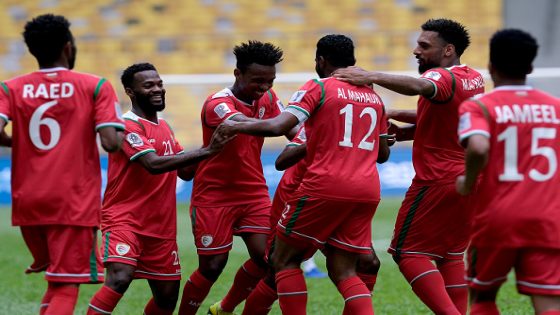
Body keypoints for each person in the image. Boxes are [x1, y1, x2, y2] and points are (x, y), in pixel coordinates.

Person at [222, 34, 390, 315]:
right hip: (367, 189)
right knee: (346, 270)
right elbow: (382, 154)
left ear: (320, 61)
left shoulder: (319, 87)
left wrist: (237, 124)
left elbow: (279, 127)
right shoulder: (374, 97)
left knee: (283, 260)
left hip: (325, 185)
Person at [334, 18, 484, 315]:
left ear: (448, 50)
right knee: (451, 256)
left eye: (425, 46)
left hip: (437, 181)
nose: (416, 51)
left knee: (408, 254)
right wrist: (405, 127)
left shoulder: (443, 78)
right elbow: (452, 119)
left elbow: (419, 86)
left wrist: (370, 76)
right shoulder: (473, 78)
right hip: (469, 179)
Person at [0, 14, 124, 315]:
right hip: (72, 200)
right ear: (68, 47)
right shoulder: (95, 86)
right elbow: (111, 142)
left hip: (27, 200)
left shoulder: (10, 88)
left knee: (57, 279)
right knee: (68, 284)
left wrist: (20, 144)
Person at [86, 63, 232, 314]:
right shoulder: (127, 125)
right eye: (149, 85)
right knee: (120, 278)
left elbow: (185, 173)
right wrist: (208, 150)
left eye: (159, 84)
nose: (158, 89)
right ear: (130, 92)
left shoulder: (164, 127)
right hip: (124, 220)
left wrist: (215, 145)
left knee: (167, 298)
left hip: (161, 228)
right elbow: (152, 164)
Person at [457, 29, 560, 315]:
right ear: (530, 66)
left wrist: (466, 181)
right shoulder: (556, 108)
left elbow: (477, 147)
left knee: (483, 295)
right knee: (549, 301)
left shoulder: (479, 106)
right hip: (548, 219)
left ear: (490, 67)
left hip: (498, 219)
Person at [178, 40, 286, 315]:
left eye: (270, 81)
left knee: (268, 259)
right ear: (238, 74)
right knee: (212, 266)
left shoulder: (269, 98)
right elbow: (243, 124)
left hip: (253, 192)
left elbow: (293, 131)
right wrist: (282, 123)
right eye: (257, 80)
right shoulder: (218, 104)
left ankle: (223, 309)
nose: (264, 87)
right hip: (214, 194)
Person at [242, 124, 385, 315]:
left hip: (339, 194)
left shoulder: (369, 106)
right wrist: (322, 138)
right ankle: (225, 308)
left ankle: (225, 307)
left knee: (367, 263)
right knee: (277, 270)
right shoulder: (324, 111)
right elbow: (283, 159)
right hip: (299, 194)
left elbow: (383, 154)